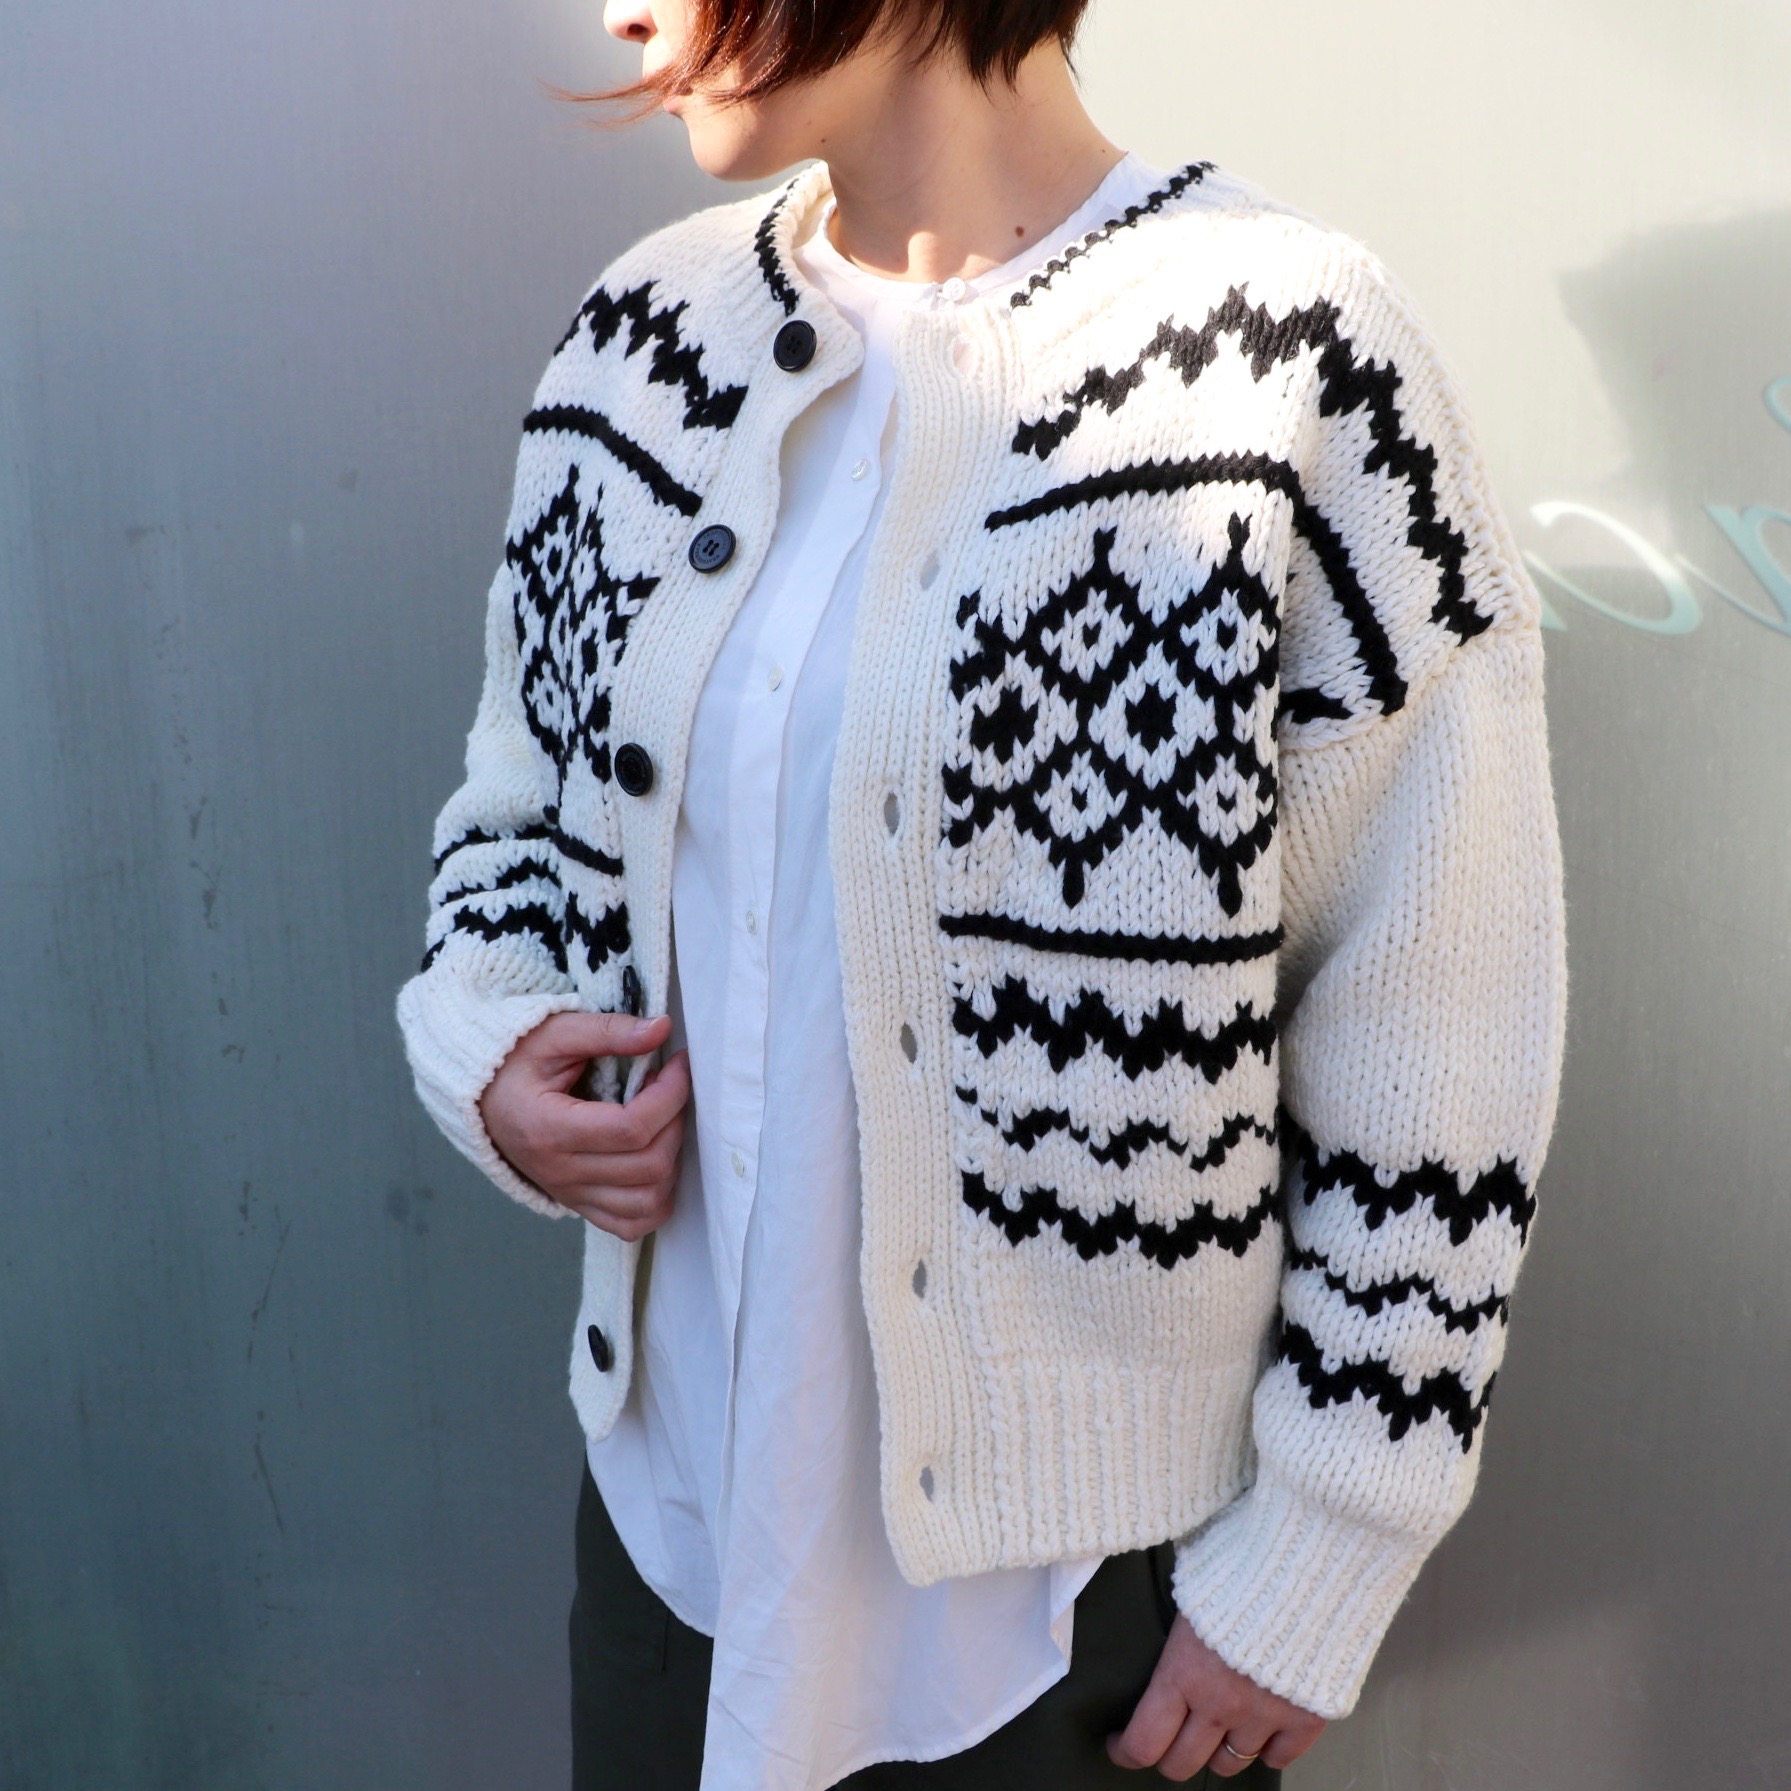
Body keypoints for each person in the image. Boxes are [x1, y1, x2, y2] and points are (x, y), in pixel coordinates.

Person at [395, 0, 1569, 1784]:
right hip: (676, 1546)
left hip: (1078, 1622)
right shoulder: (642, 345)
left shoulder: (1293, 358)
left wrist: (1324, 1551)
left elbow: (1443, 1021)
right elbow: (520, 799)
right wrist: (491, 1044)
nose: (613, 6)